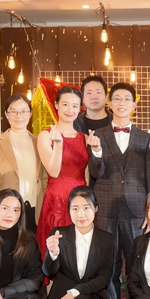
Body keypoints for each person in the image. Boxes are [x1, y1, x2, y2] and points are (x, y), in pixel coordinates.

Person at [87, 82, 150, 299]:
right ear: (109, 104)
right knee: (108, 267)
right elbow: (95, 172)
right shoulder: (97, 135)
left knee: (137, 266)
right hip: (106, 210)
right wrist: (96, 151)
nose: (121, 103)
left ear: (134, 105)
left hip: (136, 211)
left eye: (127, 99)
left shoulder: (145, 137)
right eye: (117, 98)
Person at [43, 186, 114, 299]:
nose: (80, 214)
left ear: (95, 208)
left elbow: (104, 277)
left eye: (86, 207)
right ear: (69, 211)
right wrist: (53, 253)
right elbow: (48, 272)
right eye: (75, 208)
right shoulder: (59, 234)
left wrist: (75, 292)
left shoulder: (107, 239)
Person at [0, 94, 46, 233]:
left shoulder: (40, 142)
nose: (19, 116)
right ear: (6, 114)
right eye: (13, 111)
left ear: (30, 113)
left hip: (35, 209)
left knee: (34, 246)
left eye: (23, 111)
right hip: (8, 210)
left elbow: (45, 178)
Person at [36, 86, 89, 256]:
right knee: (56, 248)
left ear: (80, 109)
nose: (70, 110)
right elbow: (53, 171)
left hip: (81, 197)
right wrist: (58, 145)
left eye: (75, 106)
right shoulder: (45, 136)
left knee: (80, 249)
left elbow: (87, 173)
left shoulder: (85, 138)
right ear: (56, 105)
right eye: (65, 104)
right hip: (56, 197)